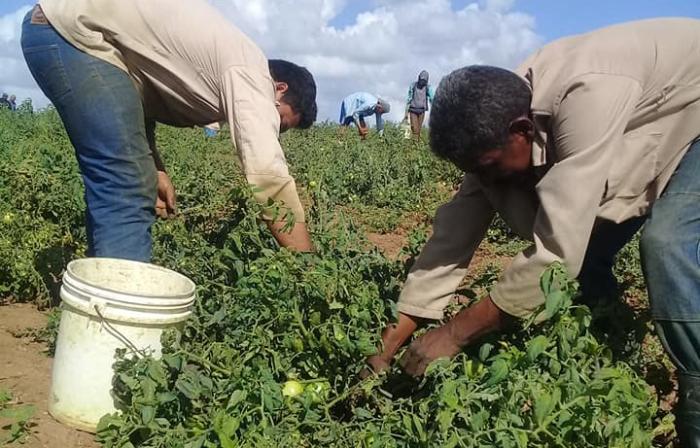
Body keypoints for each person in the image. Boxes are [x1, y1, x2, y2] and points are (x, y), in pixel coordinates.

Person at [365, 18, 700, 446]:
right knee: (589, 252)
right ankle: (612, 343)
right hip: (662, 113)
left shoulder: (587, 95)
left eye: (486, 168)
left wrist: (453, 333)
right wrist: (393, 337)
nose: (485, 181)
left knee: (668, 242)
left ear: (522, 131)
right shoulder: (496, 120)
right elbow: (455, 232)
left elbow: (557, 253)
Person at [21, 0, 318, 262]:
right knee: (125, 184)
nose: (272, 127)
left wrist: (156, 168)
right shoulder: (253, 74)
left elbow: (137, 97)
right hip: (73, 35)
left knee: (128, 180)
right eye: (279, 120)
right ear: (279, 89)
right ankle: (121, 313)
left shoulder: (225, 66)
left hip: (67, 31)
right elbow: (267, 174)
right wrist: (308, 266)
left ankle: (98, 292)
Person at [404, 70, 435, 140]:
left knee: (418, 129)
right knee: (415, 129)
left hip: (422, 111)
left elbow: (432, 98)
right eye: (421, 80)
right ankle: (414, 144)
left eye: (424, 81)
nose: (422, 82)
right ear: (419, 78)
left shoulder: (428, 87)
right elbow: (409, 98)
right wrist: (406, 111)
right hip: (413, 110)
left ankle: (416, 146)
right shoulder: (413, 85)